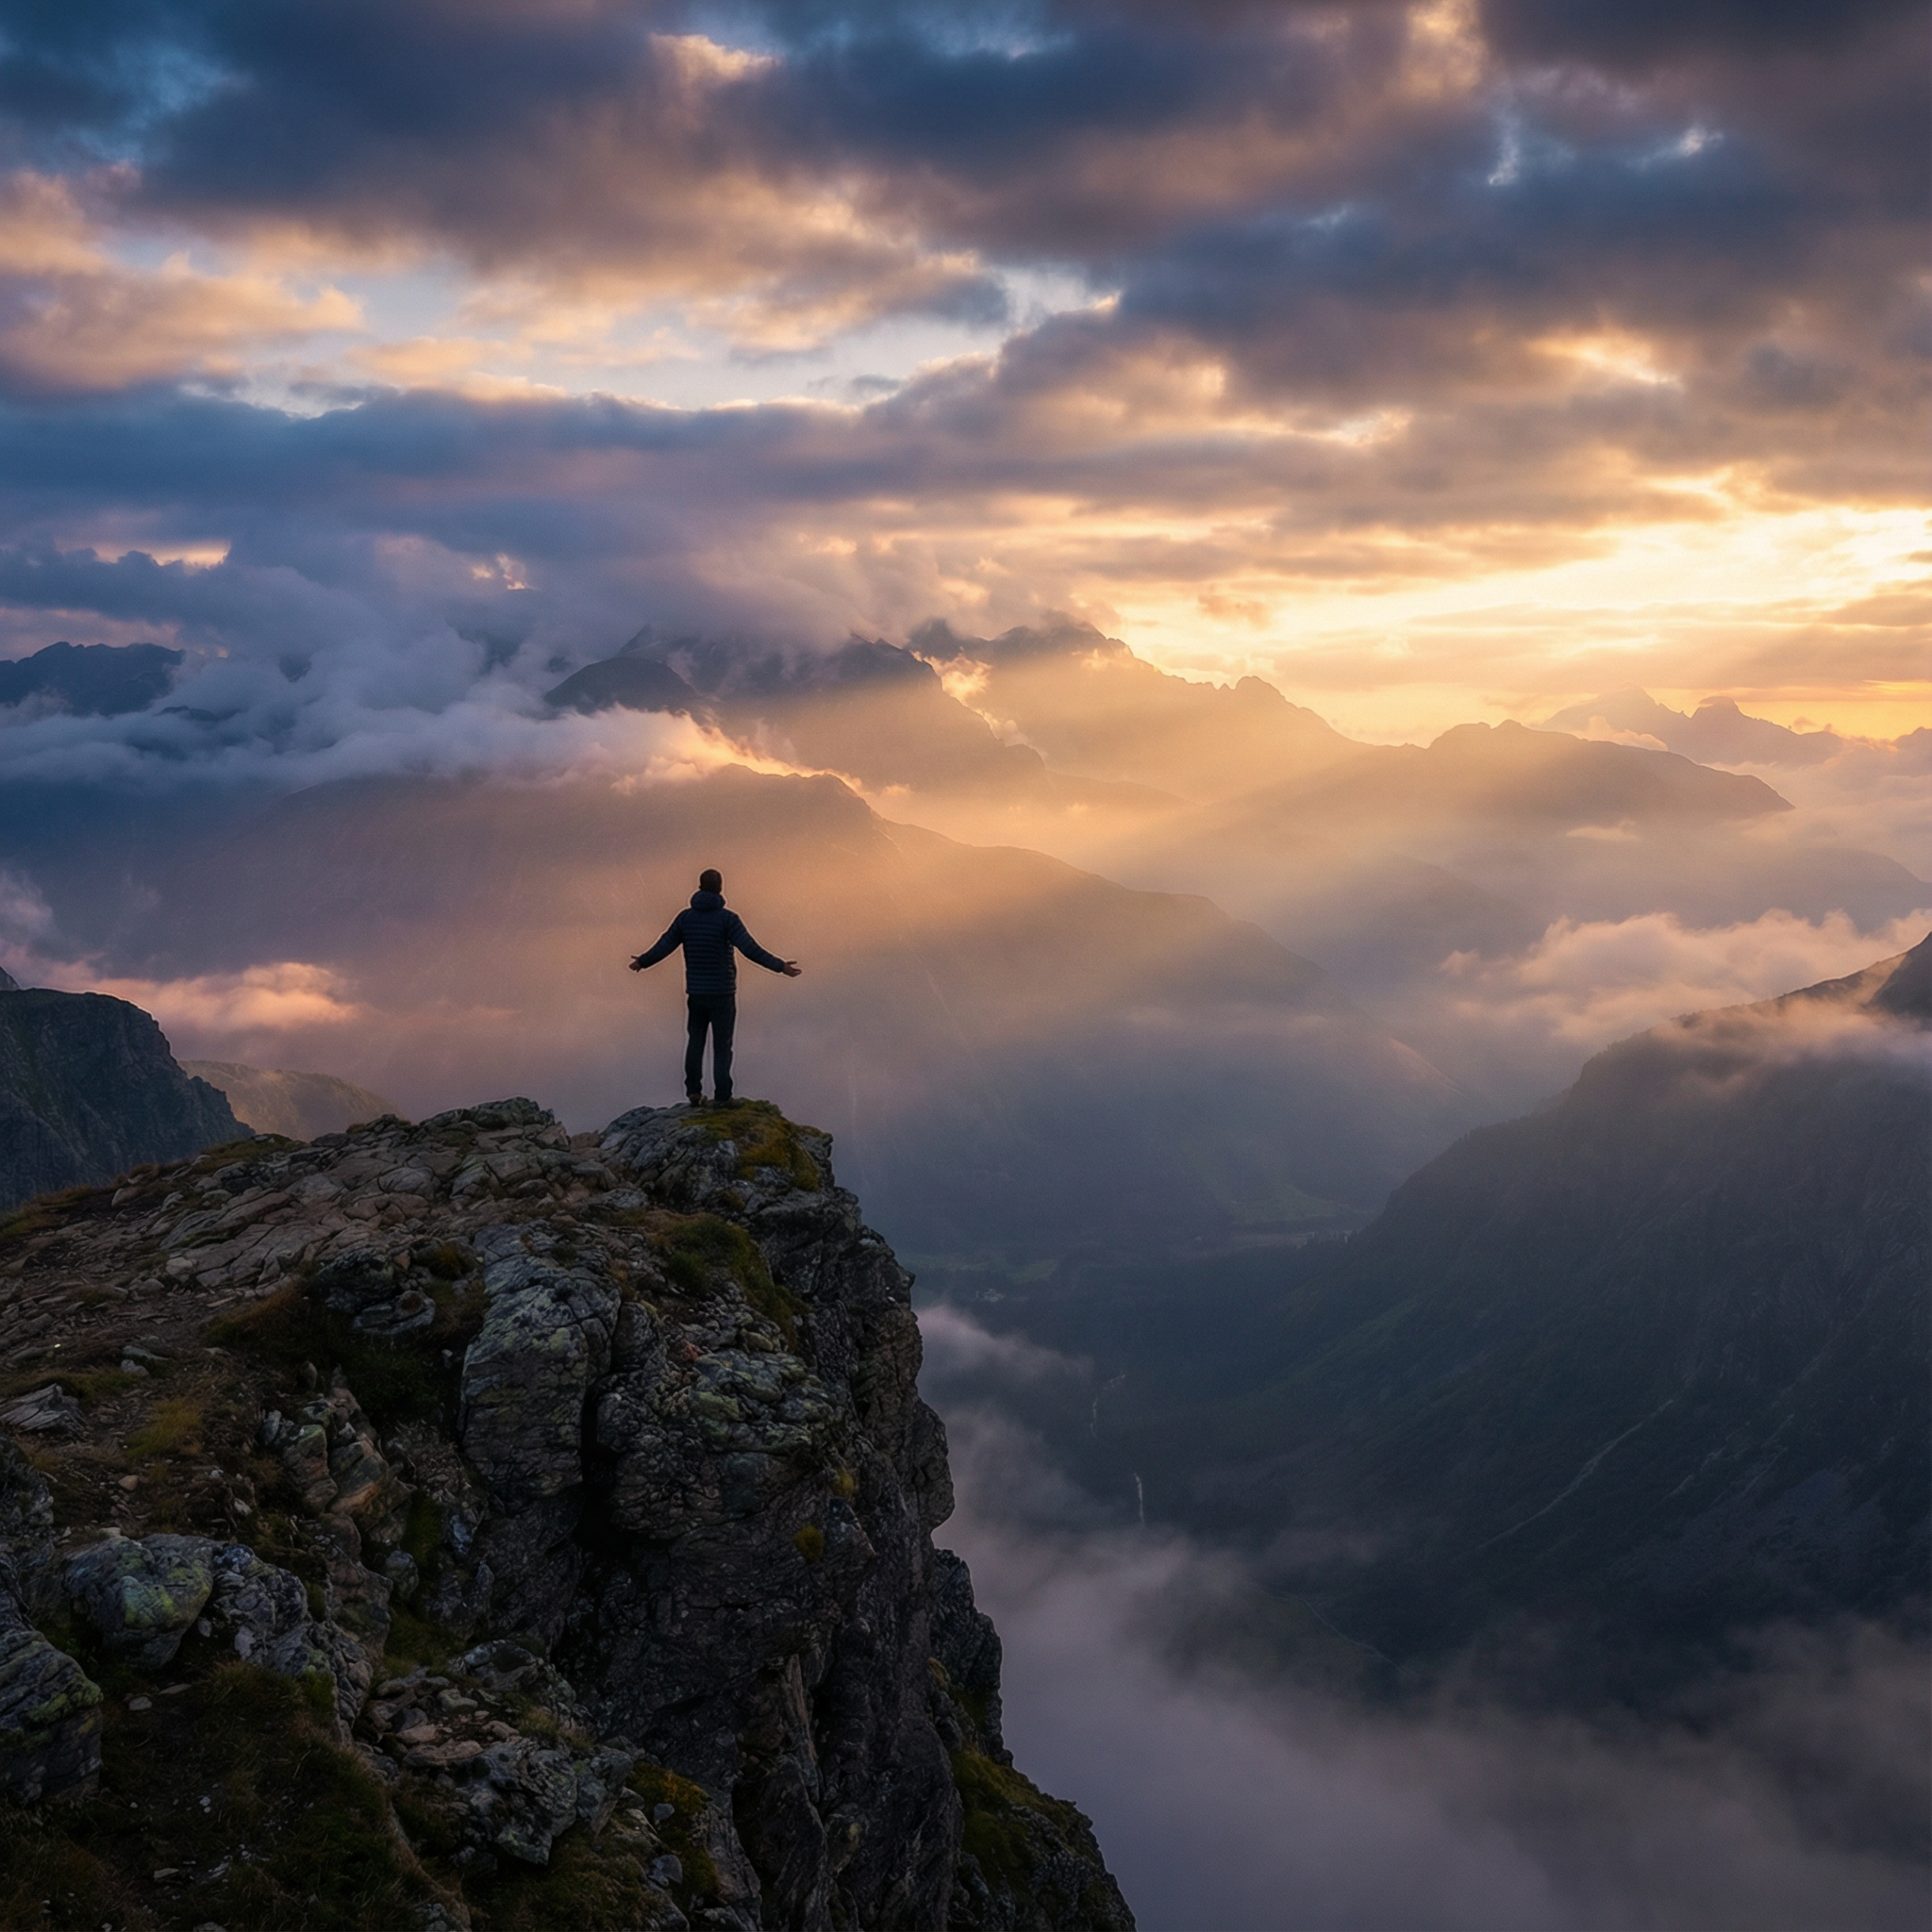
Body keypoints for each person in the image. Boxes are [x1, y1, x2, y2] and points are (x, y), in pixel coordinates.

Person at [629, 869, 801, 1106]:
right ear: (720, 887)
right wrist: (781, 966)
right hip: (722, 994)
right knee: (722, 1047)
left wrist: (642, 961)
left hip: (696, 993)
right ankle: (722, 1097)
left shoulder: (685, 918)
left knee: (695, 1042)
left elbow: (665, 944)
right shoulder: (728, 919)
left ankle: (693, 1092)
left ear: (699, 886)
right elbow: (751, 950)